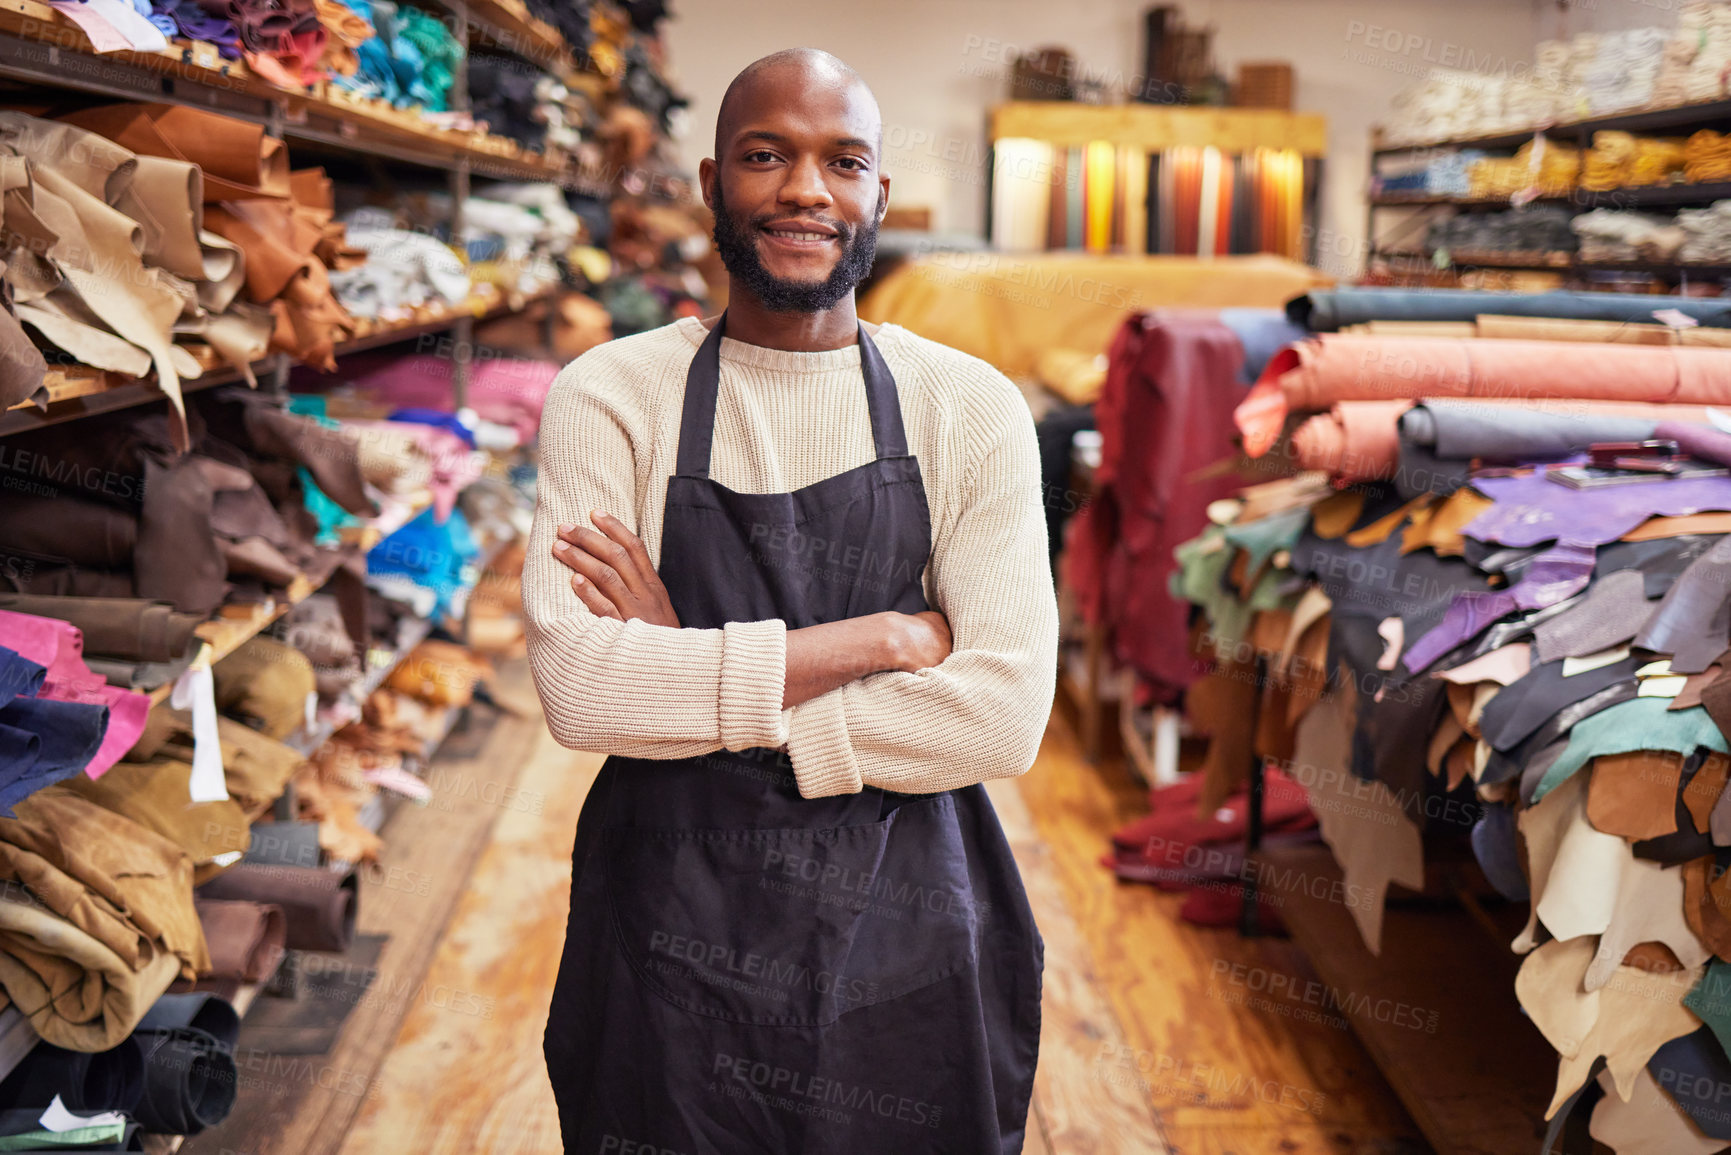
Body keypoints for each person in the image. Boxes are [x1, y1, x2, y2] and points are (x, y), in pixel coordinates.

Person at [524, 47, 1058, 1154]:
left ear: (877, 198)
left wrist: (689, 672)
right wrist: (879, 638)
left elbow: (1001, 713)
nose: (806, 189)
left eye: (843, 161)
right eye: (767, 155)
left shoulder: (969, 408)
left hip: (907, 930)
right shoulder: (612, 396)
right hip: (666, 929)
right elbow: (582, 690)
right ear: (714, 184)